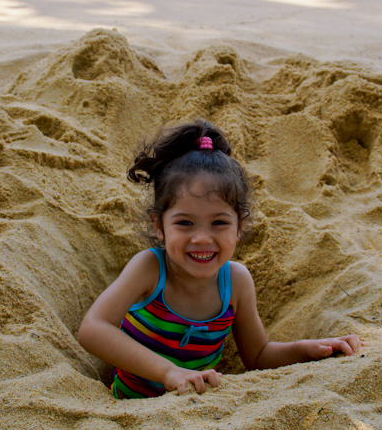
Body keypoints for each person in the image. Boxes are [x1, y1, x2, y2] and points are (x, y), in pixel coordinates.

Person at [78, 120, 362, 399]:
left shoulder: (236, 282)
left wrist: (307, 350)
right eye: (185, 223)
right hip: (128, 408)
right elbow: (93, 329)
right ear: (158, 226)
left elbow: (258, 356)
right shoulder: (150, 269)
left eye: (219, 223)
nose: (202, 238)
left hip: (198, 418)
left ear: (239, 226)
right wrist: (169, 372)